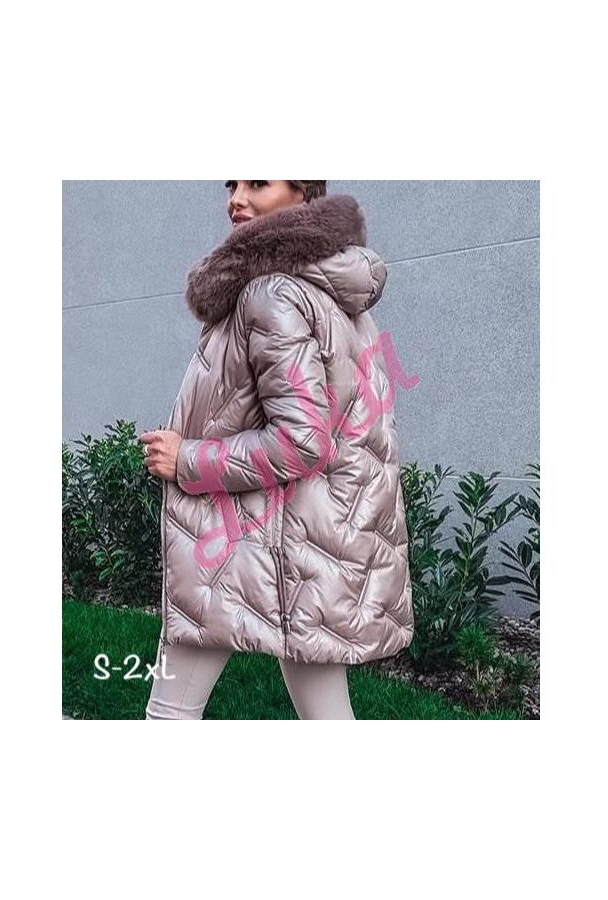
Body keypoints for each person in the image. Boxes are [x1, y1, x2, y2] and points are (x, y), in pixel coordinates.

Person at [140, 180, 414, 719]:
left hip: (249, 548)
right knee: (327, 716)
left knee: (170, 713)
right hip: (309, 546)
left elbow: (300, 441)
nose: (236, 199)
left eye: (258, 183)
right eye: (232, 184)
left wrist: (187, 459)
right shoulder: (333, 291)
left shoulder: (271, 292)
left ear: (303, 193)